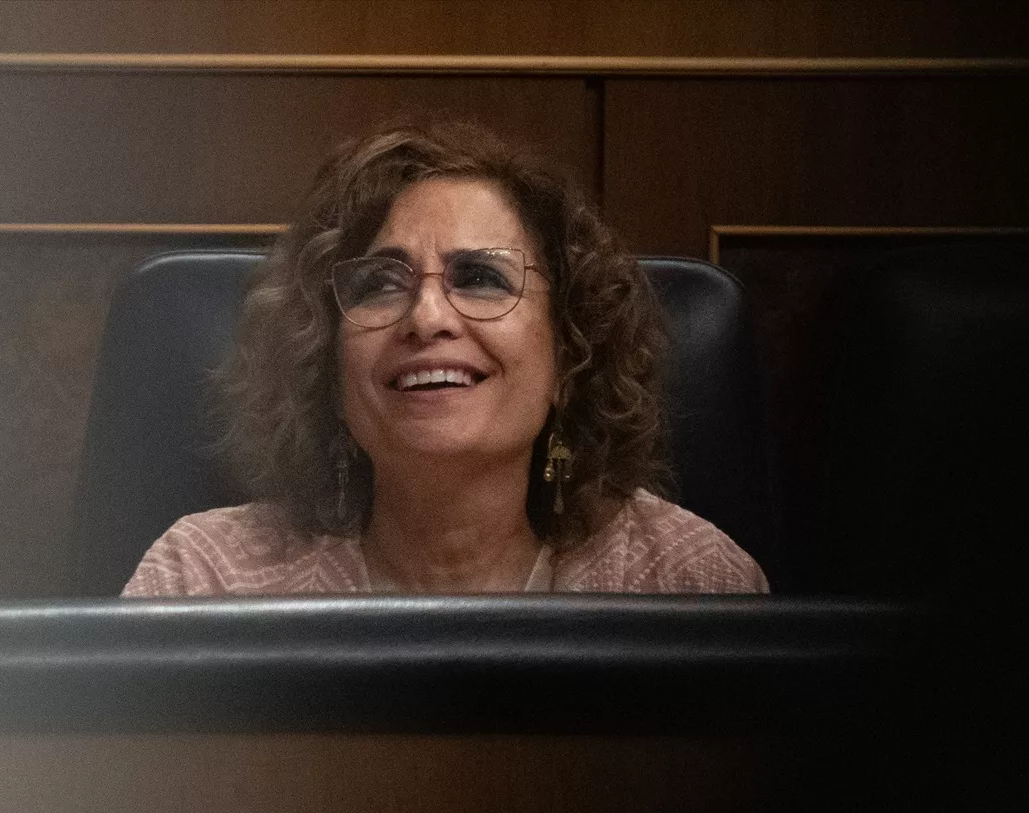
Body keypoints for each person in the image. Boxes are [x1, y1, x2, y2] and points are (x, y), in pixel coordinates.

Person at [122, 120, 767, 596]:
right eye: (380, 283)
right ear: (327, 362)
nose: (427, 317)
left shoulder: (690, 581)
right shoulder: (202, 581)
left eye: (481, 278)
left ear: (571, 355)